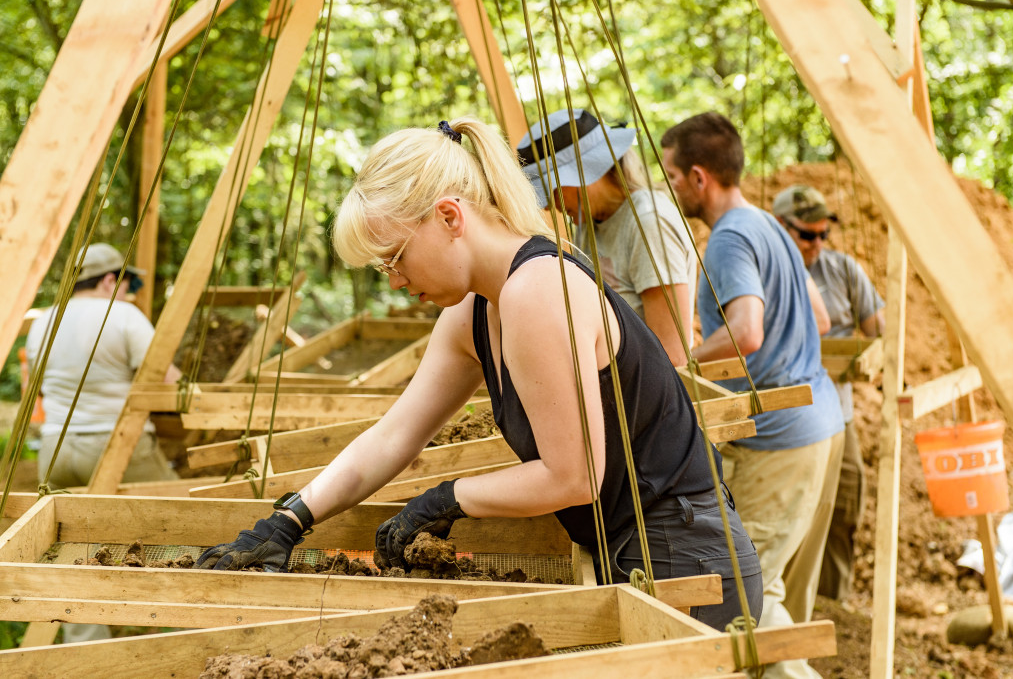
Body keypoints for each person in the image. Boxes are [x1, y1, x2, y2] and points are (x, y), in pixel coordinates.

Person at [195, 117, 762, 632]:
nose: (394, 280)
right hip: (631, 548)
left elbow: (576, 476)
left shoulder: (539, 288)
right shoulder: (473, 310)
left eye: (394, 258)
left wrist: (445, 497)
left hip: (686, 556)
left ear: (448, 217)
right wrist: (291, 519)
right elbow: (395, 434)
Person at [660, 112, 844, 678]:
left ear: (698, 177)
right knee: (773, 592)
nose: (667, 187)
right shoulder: (767, 225)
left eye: (669, 175)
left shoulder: (730, 238)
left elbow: (746, 331)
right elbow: (820, 314)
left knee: (748, 601)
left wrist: (685, 364)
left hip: (778, 445)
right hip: (820, 425)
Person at [25, 242, 180, 643]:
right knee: (182, 528)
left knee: (70, 551)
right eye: (126, 285)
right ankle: (180, 634)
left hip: (56, 448)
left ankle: (88, 652)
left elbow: (33, 390)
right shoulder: (124, 315)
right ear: (111, 280)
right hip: (118, 447)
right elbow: (168, 381)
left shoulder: (43, 321)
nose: (128, 293)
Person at [773, 184, 884, 601]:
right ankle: (778, 597)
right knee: (790, 509)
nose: (817, 243)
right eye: (808, 235)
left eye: (824, 234)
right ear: (782, 228)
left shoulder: (842, 270)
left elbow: (881, 331)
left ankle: (833, 601)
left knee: (845, 503)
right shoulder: (767, 270)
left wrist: (872, 360)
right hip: (784, 413)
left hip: (839, 411)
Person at [516, 109, 697, 364]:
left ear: (588, 174)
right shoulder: (590, 222)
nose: (548, 206)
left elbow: (671, 353)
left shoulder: (648, 223)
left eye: (552, 190)